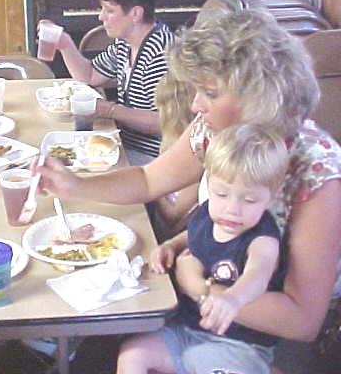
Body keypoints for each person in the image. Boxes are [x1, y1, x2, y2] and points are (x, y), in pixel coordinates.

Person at [36, 9, 341, 373]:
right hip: (200, 307)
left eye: (209, 93)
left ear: (260, 98)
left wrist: (195, 285)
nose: (196, 105)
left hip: (270, 342)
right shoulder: (217, 131)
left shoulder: (316, 174)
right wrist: (75, 185)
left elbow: (302, 320)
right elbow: (148, 180)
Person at [117, 124, 289, 374]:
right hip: (185, 329)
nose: (232, 209)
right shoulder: (208, 212)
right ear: (209, 182)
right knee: (133, 353)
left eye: (249, 200)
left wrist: (233, 298)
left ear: (274, 196)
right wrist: (171, 245)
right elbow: (195, 233)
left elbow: (259, 272)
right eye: (222, 194)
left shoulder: (262, 238)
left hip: (238, 346)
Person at [39, 0, 174, 166]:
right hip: (124, 142)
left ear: (135, 14)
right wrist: (65, 43)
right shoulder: (125, 42)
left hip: (152, 157)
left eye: (109, 10)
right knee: (52, 153)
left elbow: (166, 122)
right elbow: (90, 75)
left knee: (65, 165)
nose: (101, 17)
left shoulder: (160, 53)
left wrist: (110, 110)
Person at [151, 73, 198, 241]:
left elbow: (173, 215)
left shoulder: (195, 156)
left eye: (160, 108)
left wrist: (153, 190)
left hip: (172, 237)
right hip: (158, 219)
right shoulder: (169, 142)